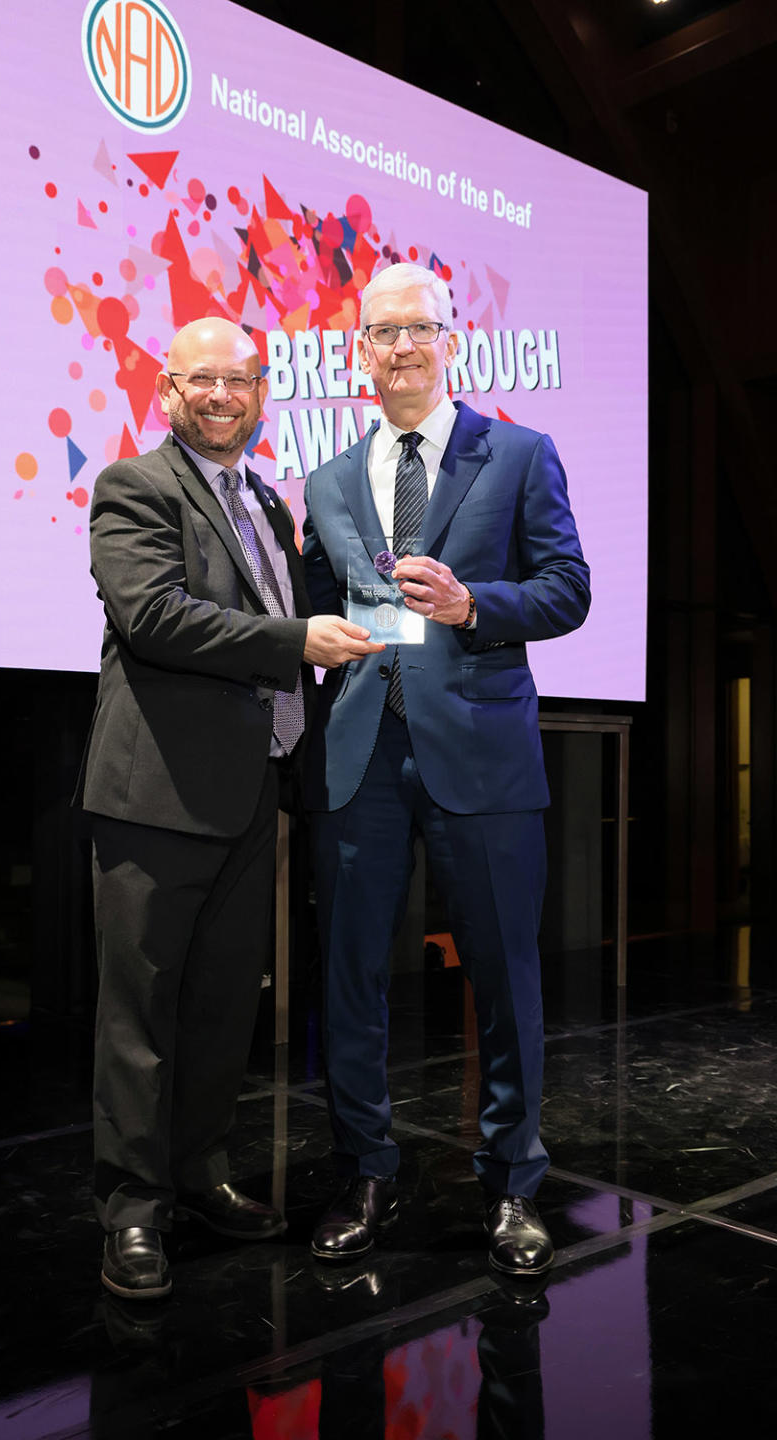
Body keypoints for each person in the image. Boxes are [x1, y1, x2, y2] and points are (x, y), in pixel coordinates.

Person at [75, 317, 382, 1299]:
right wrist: (298, 638)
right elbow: (156, 617)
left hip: (251, 793)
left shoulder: (262, 503)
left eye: (239, 382)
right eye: (200, 381)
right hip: (154, 796)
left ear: (261, 396)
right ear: (166, 391)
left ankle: (200, 1174)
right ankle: (131, 1209)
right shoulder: (134, 488)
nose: (220, 397)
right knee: (141, 1015)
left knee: (216, 1011)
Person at [302, 262, 591, 1275]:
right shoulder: (330, 480)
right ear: (358, 353)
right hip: (360, 755)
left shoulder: (517, 454)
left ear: (452, 340)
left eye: (419, 329)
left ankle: (513, 1184)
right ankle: (366, 1170)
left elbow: (568, 590)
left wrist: (475, 606)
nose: (401, 348)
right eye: (382, 333)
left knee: (506, 978)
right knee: (349, 982)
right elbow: (318, 602)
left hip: (483, 756)